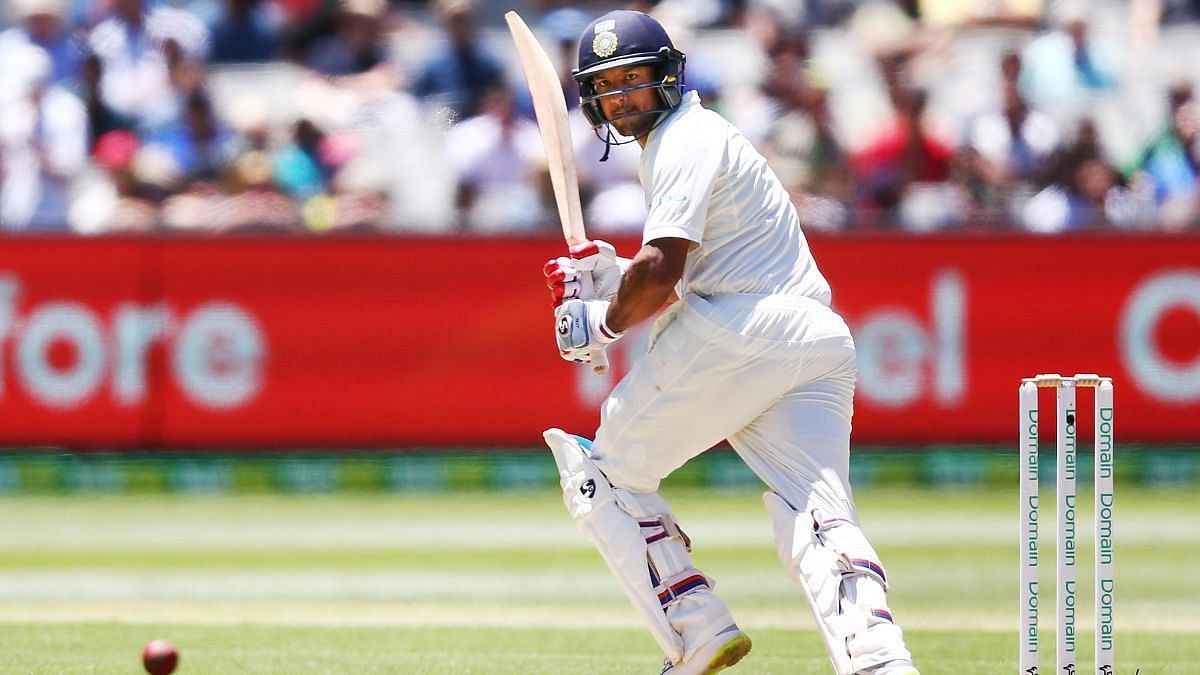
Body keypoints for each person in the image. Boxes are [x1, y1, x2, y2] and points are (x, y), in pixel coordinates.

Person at [540, 10, 919, 675]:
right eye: (609, 87)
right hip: (814, 339)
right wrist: (610, 277)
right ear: (593, 99)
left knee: (603, 474)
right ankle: (879, 661)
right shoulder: (703, 136)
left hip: (743, 330)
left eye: (635, 80)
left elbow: (664, 274)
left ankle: (696, 630)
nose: (624, 97)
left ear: (668, 77)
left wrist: (597, 323)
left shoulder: (682, 139)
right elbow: (687, 269)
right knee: (816, 513)